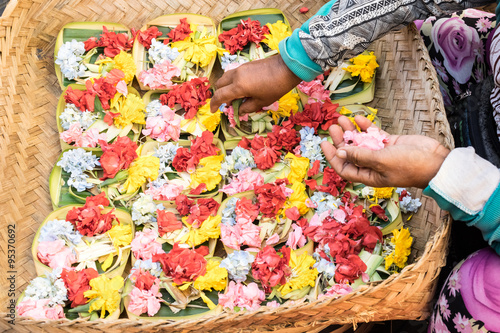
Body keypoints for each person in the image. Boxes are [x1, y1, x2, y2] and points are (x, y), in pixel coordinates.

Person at [209, 0, 500, 331]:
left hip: (493, 201)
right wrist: (293, 61)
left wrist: (442, 173)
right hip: (488, 108)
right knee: (438, 34)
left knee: (473, 293)